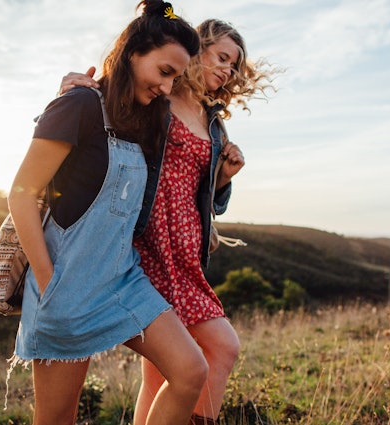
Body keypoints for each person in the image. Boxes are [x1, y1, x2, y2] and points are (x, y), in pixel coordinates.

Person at [59, 18, 276, 425]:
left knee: (161, 372)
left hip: (185, 249)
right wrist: (71, 89)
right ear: (199, 50)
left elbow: (206, 195)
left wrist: (223, 178)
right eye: (222, 58)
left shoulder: (215, 121)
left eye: (234, 66)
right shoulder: (158, 93)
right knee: (222, 347)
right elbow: (104, 110)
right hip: (144, 240)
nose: (227, 71)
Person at [6, 2, 206, 424]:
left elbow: (202, 129)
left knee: (191, 371)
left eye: (176, 77)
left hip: (123, 280)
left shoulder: (150, 119)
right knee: (57, 419)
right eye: (164, 72)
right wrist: (49, 281)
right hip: (67, 287)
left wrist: (223, 174)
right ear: (133, 52)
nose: (168, 87)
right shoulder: (78, 105)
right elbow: (21, 194)